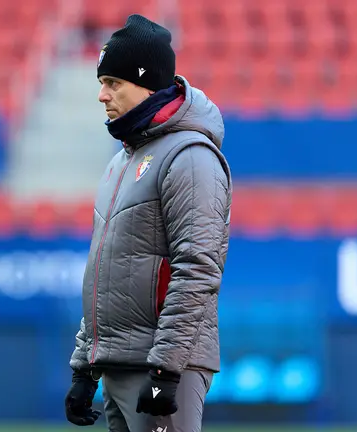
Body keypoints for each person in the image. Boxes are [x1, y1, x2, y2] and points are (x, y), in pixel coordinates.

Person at [63, 14, 233, 432]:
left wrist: (165, 371)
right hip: (120, 362)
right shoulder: (122, 160)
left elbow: (197, 269)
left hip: (160, 367)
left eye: (113, 83)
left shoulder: (190, 156)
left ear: (147, 83)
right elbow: (106, 270)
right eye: (101, 82)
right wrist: (84, 365)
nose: (101, 95)